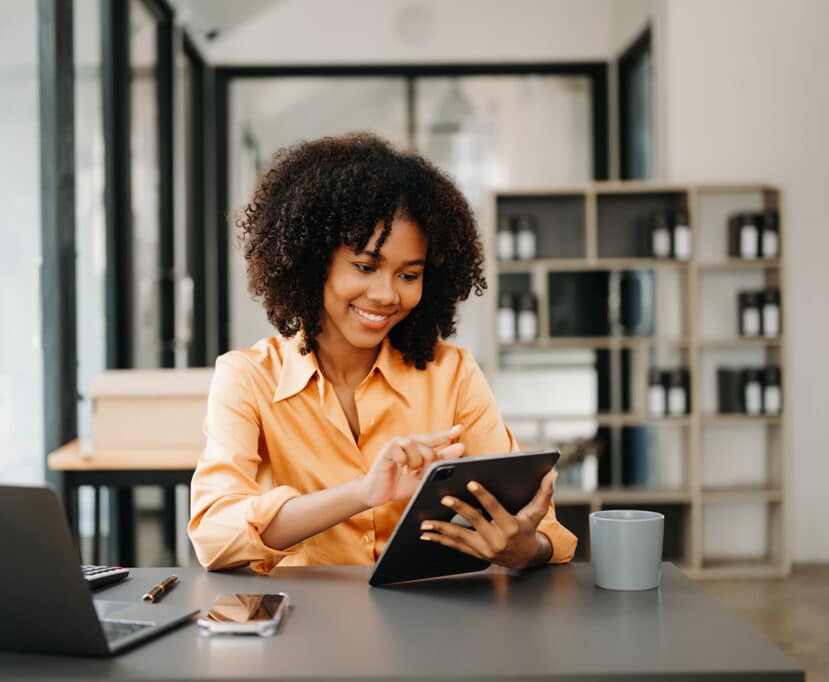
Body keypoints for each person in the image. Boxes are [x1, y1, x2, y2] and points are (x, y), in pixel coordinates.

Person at [188, 132, 577, 574]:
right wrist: (362, 492)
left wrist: (528, 548)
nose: (386, 294)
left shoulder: (453, 374)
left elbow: (545, 531)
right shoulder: (247, 378)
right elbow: (214, 535)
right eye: (366, 267)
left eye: (408, 275)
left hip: (429, 622)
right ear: (315, 262)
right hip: (299, 625)